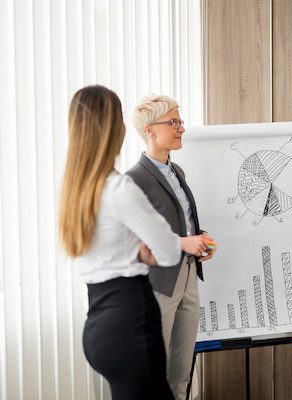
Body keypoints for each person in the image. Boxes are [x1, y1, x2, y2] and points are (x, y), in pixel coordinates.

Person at [59, 85, 181, 399]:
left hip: (98, 331)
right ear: (115, 127)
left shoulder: (75, 192)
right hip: (132, 327)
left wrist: (140, 251)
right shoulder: (119, 189)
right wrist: (146, 253)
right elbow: (168, 252)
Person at [127, 94, 216, 400]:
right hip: (160, 283)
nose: (182, 128)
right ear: (150, 130)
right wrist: (183, 242)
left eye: (180, 121)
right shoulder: (133, 180)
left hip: (189, 274)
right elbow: (133, 240)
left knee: (182, 368)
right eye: (174, 122)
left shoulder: (177, 172)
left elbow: (178, 222)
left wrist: (199, 237)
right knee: (155, 370)